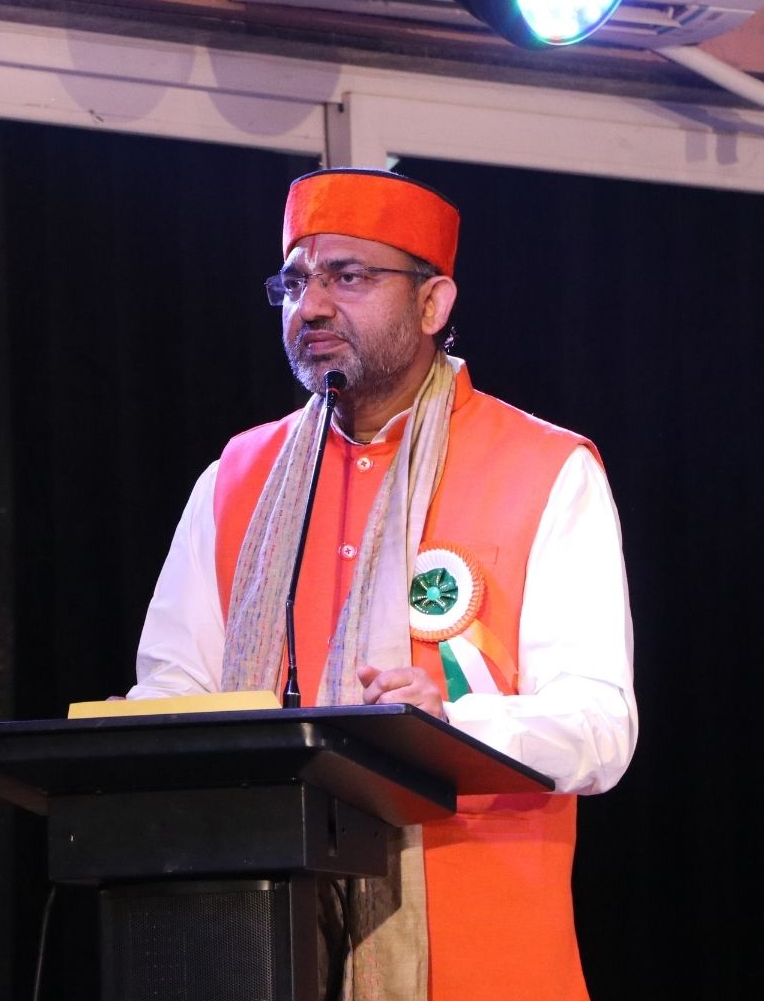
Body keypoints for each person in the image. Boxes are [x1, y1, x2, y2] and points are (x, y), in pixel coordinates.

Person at [127, 166, 637, 1001]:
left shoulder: (546, 469)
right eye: (296, 282)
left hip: (483, 958)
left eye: (349, 277)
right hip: (259, 943)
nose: (312, 306)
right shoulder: (235, 478)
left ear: (433, 304)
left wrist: (450, 728)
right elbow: (173, 694)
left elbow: (601, 726)